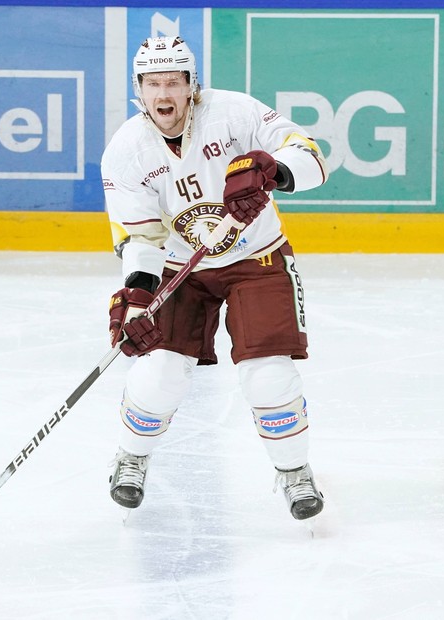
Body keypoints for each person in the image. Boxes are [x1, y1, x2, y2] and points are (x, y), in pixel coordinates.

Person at [101, 36, 329, 521]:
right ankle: (131, 456)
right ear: (138, 89)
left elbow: (309, 154)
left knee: (266, 374)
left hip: (257, 259)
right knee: (159, 371)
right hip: (180, 270)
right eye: (152, 83)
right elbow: (141, 237)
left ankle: (293, 471)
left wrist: (276, 170)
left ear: (191, 86)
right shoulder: (126, 151)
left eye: (173, 82)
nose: (163, 94)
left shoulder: (235, 113)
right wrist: (138, 297)